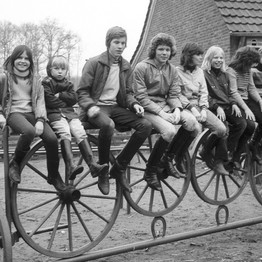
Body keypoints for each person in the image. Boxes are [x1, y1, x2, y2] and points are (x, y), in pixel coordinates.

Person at [77, 26, 152, 194]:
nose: (120, 46)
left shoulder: (126, 66)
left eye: (123, 43)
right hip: (96, 108)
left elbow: (129, 93)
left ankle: (119, 166)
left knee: (145, 125)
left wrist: (134, 104)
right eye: (116, 42)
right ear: (108, 43)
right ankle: (103, 170)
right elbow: (81, 92)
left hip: (115, 107)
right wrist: (90, 107)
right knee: (108, 125)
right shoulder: (94, 63)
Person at [133, 33, 200, 191]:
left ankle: (168, 158)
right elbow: (141, 97)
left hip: (166, 104)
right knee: (169, 131)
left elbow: (173, 94)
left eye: (167, 50)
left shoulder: (172, 70)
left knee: (192, 123)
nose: (164, 53)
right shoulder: (142, 67)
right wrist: (162, 114)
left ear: (172, 52)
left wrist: (177, 108)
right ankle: (150, 171)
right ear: (154, 50)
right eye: (161, 49)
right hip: (147, 108)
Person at [0, 45, 65, 190]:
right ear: (13, 59)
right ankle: (15, 163)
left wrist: (41, 120)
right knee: (29, 131)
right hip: (14, 113)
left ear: (30, 61)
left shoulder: (35, 79)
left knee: (52, 138)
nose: (22, 61)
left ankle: (54, 176)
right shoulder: (5, 77)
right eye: (19, 58)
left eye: (26, 59)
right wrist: (1, 116)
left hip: (32, 113)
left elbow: (40, 101)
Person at [42, 55, 109, 189]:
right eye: (56, 68)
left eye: (63, 69)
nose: (60, 71)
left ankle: (92, 165)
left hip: (70, 114)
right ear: (50, 69)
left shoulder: (69, 84)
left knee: (79, 131)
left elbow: (74, 98)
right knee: (65, 132)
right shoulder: (46, 83)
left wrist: (60, 95)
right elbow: (49, 100)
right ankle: (71, 165)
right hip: (55, 114)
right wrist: (64, 101)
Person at [176, 42, 229, 175]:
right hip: (185, 107)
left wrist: (204, 108)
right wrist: (192, 108)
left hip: (201, 106)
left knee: (221, 129)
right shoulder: (177, 72)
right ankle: (179, 155)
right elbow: (177, 94)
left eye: (201, 54)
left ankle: (205, 151)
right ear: (189, 56)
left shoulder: (200, 72)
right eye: (198, 55)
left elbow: (204, 93)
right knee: (195, 128)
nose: (201, 57)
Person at [202, 45, 256, 168]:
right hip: (213, 107)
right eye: (216, 57)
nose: (219, 60)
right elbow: (205, 95)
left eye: (221, 58)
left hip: (227, 106)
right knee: (225, 127)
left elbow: (230, 93)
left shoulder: (224, 74)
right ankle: (215, 153)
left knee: (243, 123)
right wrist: (216, 107)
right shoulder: (204, 74)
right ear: (209, 59)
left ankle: (230, 151)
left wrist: (234, 104)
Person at [227, 46, 262, 164]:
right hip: (236, 101)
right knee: (249, 126)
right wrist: (246, 109)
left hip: (247, 99)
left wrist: (260, 101)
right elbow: (233, 92)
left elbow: (251, 88)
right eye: (251, 64)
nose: (253, 67)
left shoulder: (247, 70)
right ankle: (234, 154)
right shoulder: (231, 70)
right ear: (245, 61)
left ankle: (254, 144)